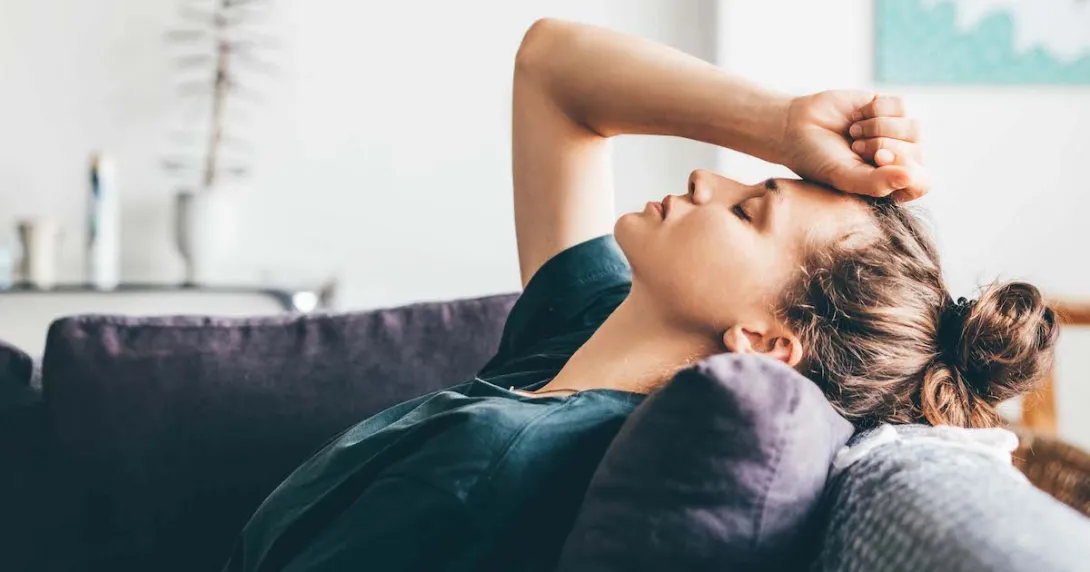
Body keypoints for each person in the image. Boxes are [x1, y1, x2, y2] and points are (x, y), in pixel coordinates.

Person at [224, 19, 1057, 572]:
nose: (705, 174)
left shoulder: (498, 461)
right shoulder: (582, 338)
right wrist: (786, 122)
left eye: (747, 211)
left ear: (766, 340)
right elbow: (553, 67)